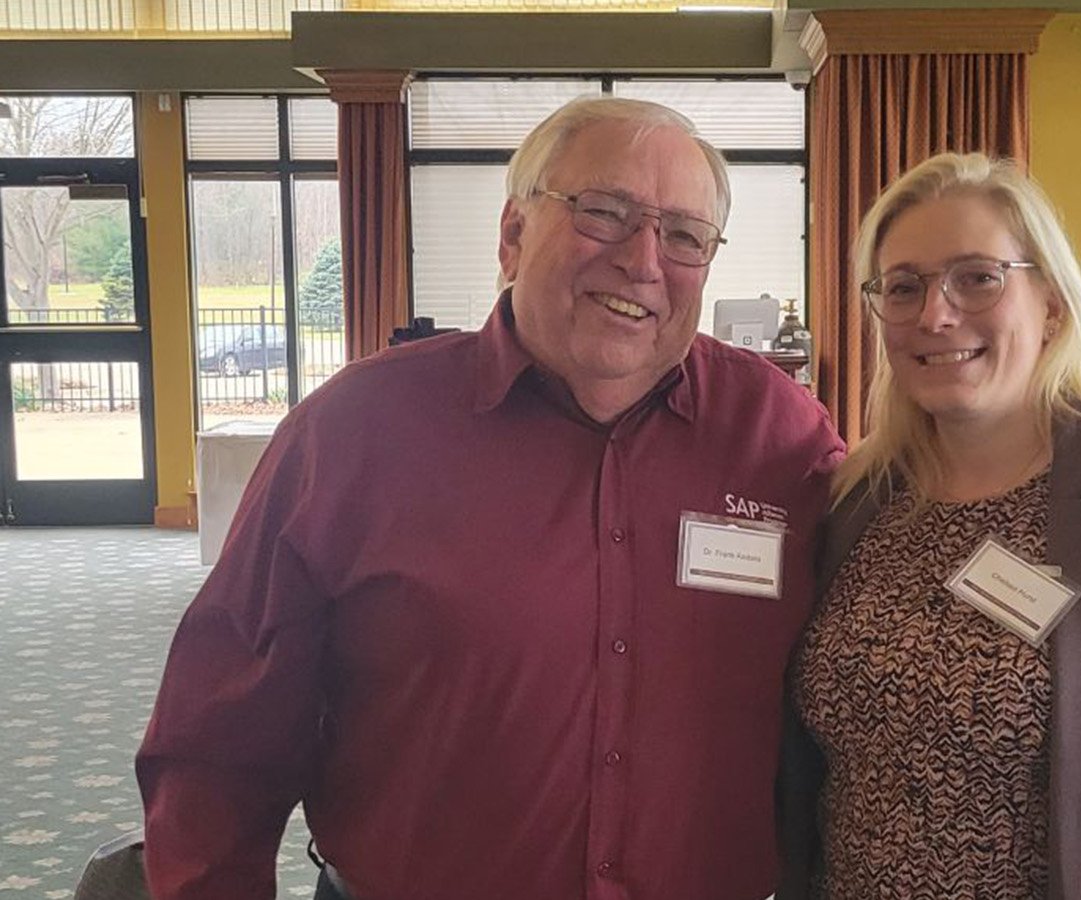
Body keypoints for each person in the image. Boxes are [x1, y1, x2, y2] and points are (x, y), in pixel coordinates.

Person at [137, 96, 843, 900]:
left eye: (684, 235)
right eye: (605, 213)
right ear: (512, 235)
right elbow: (219, 741)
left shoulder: (780, 438)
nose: (644, 261)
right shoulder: (354, 432)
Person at [778, 153, 1081, 900]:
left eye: (977, 277)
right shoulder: (863, 497)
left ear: (1050, 302)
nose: (935, 315)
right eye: (904, 287)